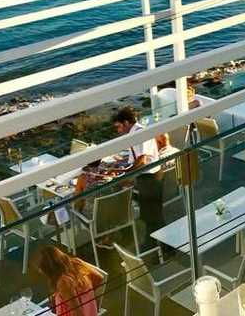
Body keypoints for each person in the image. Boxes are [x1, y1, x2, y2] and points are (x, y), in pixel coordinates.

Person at [111, 106, 163, 237]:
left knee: (151, 213)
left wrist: (127, 174)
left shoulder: (139, 134)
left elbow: (142, 159)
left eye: (118, 127)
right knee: (151, 212)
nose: (118, 131)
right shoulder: (135, 133)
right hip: (148, 176)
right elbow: (136, 157)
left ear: (126, 123)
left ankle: (157, 243)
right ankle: (152, 240)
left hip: (149, 177)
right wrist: (121, 165)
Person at [37, 246, 103, 316]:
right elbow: (99, 277)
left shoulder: (63, 283)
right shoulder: (76, 262)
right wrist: (86, 295)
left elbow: (77, 313)